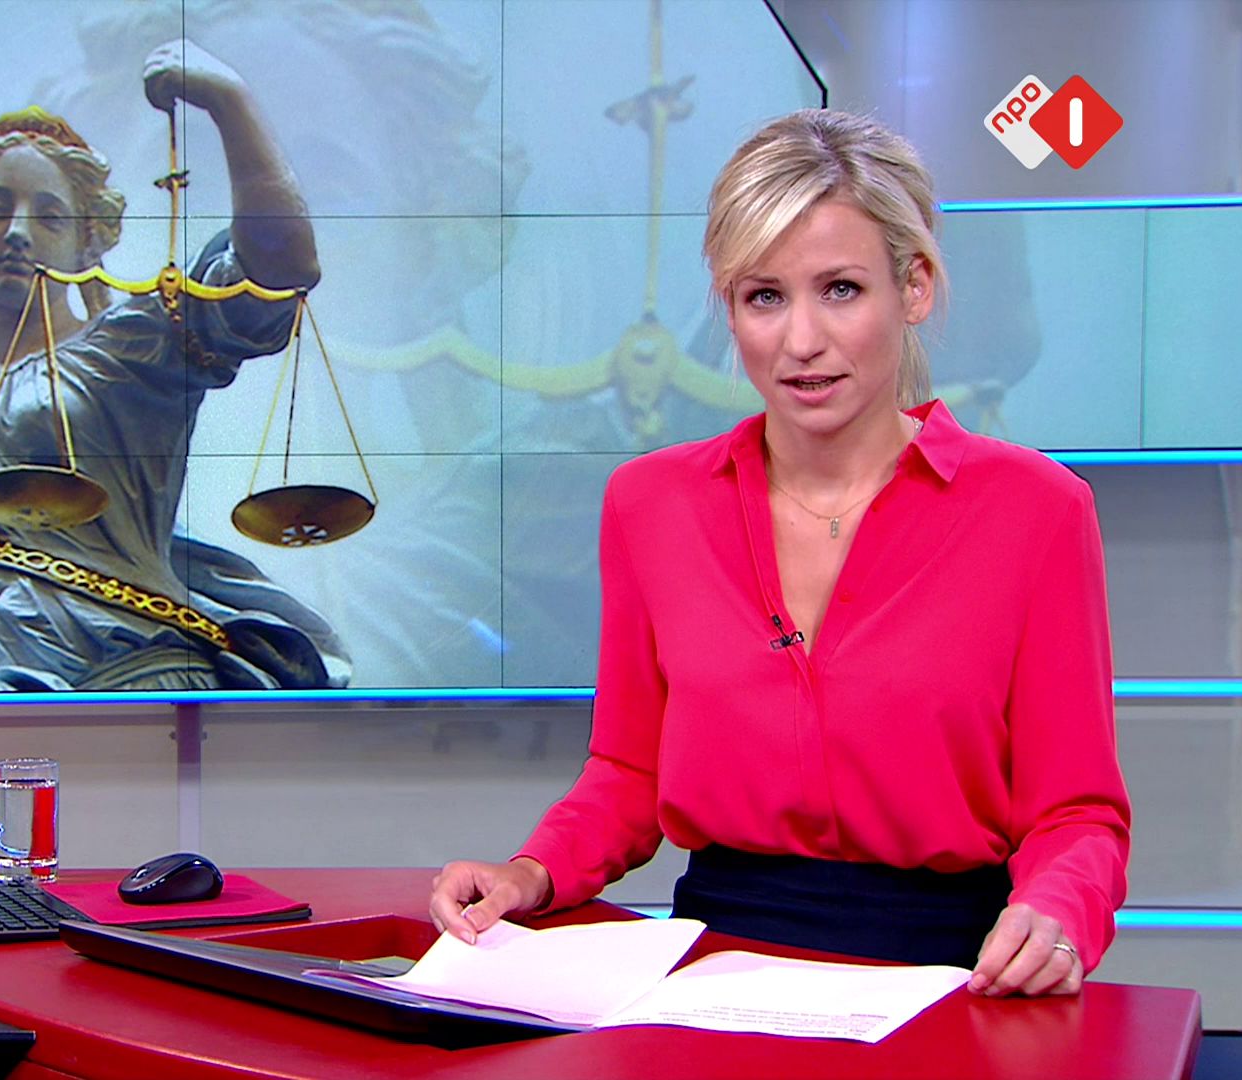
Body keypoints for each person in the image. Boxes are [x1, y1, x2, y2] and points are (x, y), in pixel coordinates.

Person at [428, 109, 1130, 997]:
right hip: (714, 970)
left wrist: (1058, 909)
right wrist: (533, 871)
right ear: (729, 308)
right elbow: (629, 772)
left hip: (951, 972)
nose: (801, 341)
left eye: (840, 289)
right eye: (765, 296)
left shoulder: (1036, 510)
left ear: (914, 288)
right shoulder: (652, 505)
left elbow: (1077, 812)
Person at [0, 41, 349, 692]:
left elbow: (281, 269)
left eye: (49, 215)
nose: (17, 232)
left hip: (117, 676)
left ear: (88, 240)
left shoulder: (130, 349)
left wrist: (229, 102)